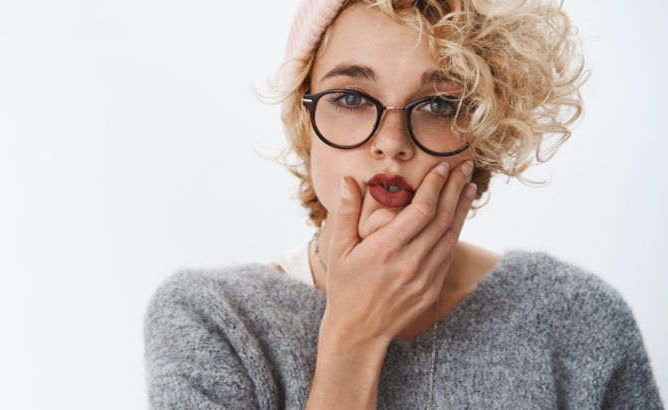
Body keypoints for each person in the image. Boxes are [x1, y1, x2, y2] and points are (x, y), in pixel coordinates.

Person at [144, 0, 663, 408]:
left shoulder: (577, 320)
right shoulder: (213, 320)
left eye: (439, 104)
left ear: (482, 133)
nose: (391, 141)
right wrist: (353, 337)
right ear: (305, 118)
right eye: (350, 97)